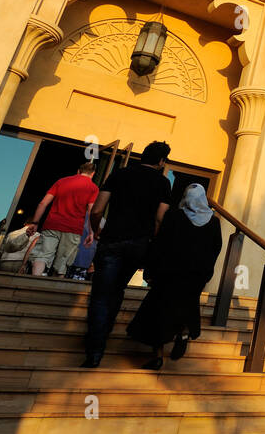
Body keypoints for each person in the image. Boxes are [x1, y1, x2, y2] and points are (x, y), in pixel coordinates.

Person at [81, 141, 172, 368]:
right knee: (118, 288)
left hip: (113, 239)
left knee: (101, 294)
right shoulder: (162, 183)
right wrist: (153, 240)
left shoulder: (119, 174)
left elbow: (98, 209)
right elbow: (160, 218)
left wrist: (96, 229)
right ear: (161, 161)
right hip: (139, 244)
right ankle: (106, 328)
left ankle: (95, 349)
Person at [127, 183, 221, 370]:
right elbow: (215, 249)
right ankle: (184, 333)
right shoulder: (214, 222)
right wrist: (206, 273)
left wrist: (150, 270)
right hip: (195, 276)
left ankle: (158, 356)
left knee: (159, 313)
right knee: (188, 306)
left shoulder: (175, 216)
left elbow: (160, 244)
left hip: (169, 274)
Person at [28, 161, 99, 277]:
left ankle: (34, 279)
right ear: (93, 174)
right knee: (63, 261)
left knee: (42, 255)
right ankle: (54, 290)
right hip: (73, 229)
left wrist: (35, 222)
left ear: (78, 171)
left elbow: (43, 203)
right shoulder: (93, 188)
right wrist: (91, 232)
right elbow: (91, 211)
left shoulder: (61, 181)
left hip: (52, 224)